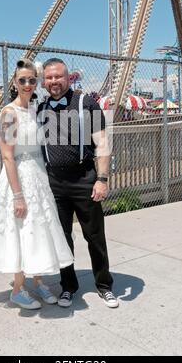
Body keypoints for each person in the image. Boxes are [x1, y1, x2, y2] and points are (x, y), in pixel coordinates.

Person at [0, 58, 73, 310]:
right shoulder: (9, 113)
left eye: (32, 79)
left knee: (39, 230)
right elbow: (7, 155)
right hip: (18, 176)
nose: (28, 84)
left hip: (39, 175)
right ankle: (18, 289)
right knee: (21, 229)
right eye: (22, 80)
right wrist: (17, 195)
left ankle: (38, 279)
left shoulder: (36, 109)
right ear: (15, 83)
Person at [38, 58, 118, 309]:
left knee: (95, 236)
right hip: (54, 182)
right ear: (44, 81)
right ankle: (68, 286)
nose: (54, 82)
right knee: (62, 238)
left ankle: (104, 285)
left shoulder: (86, 104)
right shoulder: (40, 110)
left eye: (58, 77)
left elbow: (102, 143)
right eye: (49, 78)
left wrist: (102, 179)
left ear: (68, 77)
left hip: (84, 178)